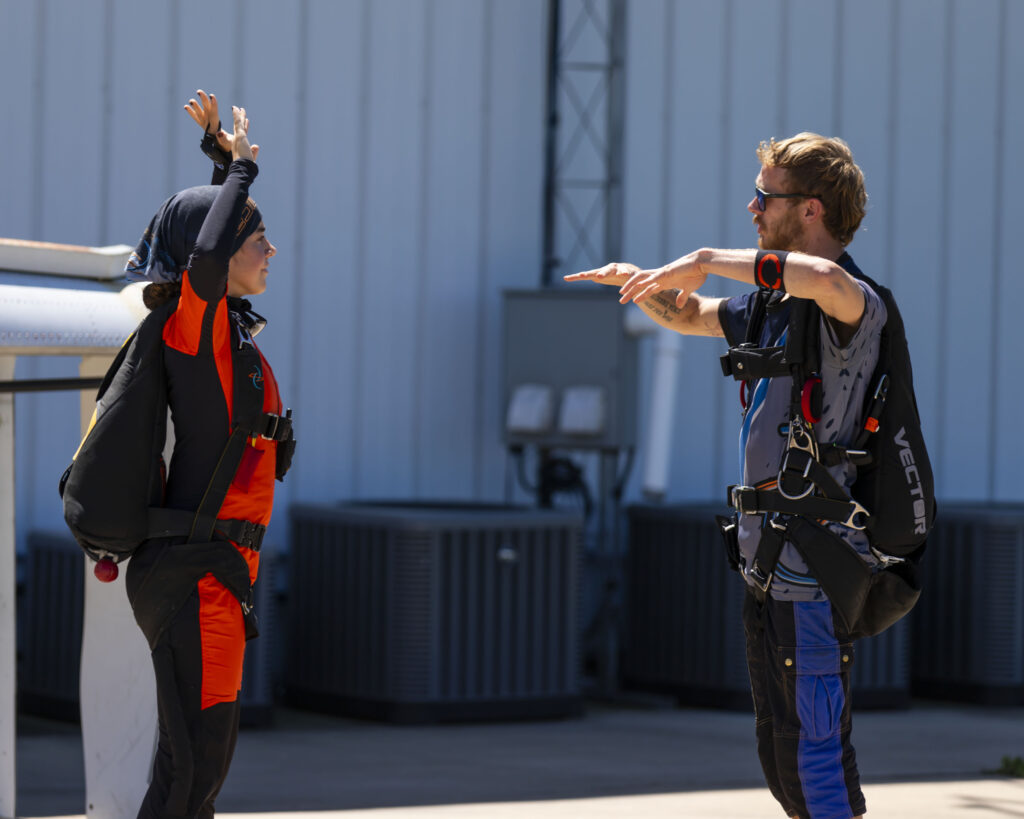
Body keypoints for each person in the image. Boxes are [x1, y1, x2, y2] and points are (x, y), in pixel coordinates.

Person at [566, 133, 882, 819]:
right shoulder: (772, 308)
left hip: (814, 565)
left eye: (764, 197)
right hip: (771, 564)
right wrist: (640, 283)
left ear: (810, 211)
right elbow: (694, 315)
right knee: (787, 759)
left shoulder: (851, 302)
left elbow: (824, 281)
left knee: (816, 757)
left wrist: (705, 259)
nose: (751, 206)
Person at [123, 91, 294, 819]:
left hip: (218, 576)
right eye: (255, 237)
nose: (270, 247)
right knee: (190, 773)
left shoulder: (228, 334)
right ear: (220, 255)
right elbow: (202, 252)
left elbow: (208, 245)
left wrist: (225, 167)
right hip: (196, 577)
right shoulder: (191, 333)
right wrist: (241, 174)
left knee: (197, 773)